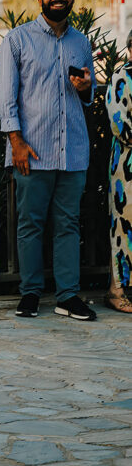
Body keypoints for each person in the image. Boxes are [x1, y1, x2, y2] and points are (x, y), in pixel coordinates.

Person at [0, 0, 97, 321]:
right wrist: (16, 141)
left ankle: (68, 296)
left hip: (73, 150)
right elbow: (5, 97)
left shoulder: (81, 43)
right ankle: (30, 293)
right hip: (31, 150)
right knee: (31, 224)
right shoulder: (17, 40)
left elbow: (89, 94)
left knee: (68, 224)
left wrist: (85, 88)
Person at [104, 27, 132, 313]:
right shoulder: (120, 77)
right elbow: (118, 122)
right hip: (126, 165)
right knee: (122, 227)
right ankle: (115, 291)